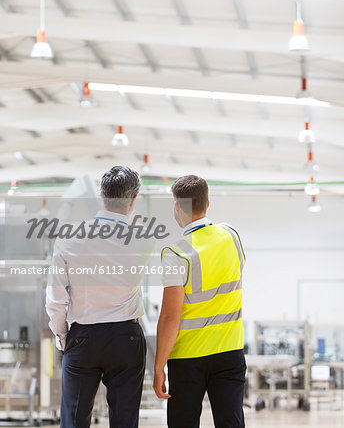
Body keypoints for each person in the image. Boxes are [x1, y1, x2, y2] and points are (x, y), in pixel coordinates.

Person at [46, 166, 155, 428]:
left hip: (82, 337)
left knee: (73, 418)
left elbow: (55, 298)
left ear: (101, 194)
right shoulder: (145, 239)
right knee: (125, 420)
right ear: (134, 199)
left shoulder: (68, 238)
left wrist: (63, 336)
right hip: (125, 338)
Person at [153, 175, 246, 428]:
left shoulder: (175, 254)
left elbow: (170, 317)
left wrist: (159, 365)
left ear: (177, 207)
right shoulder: (232, 236)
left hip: (187, 358)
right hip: (230, 352)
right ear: (207, 203)